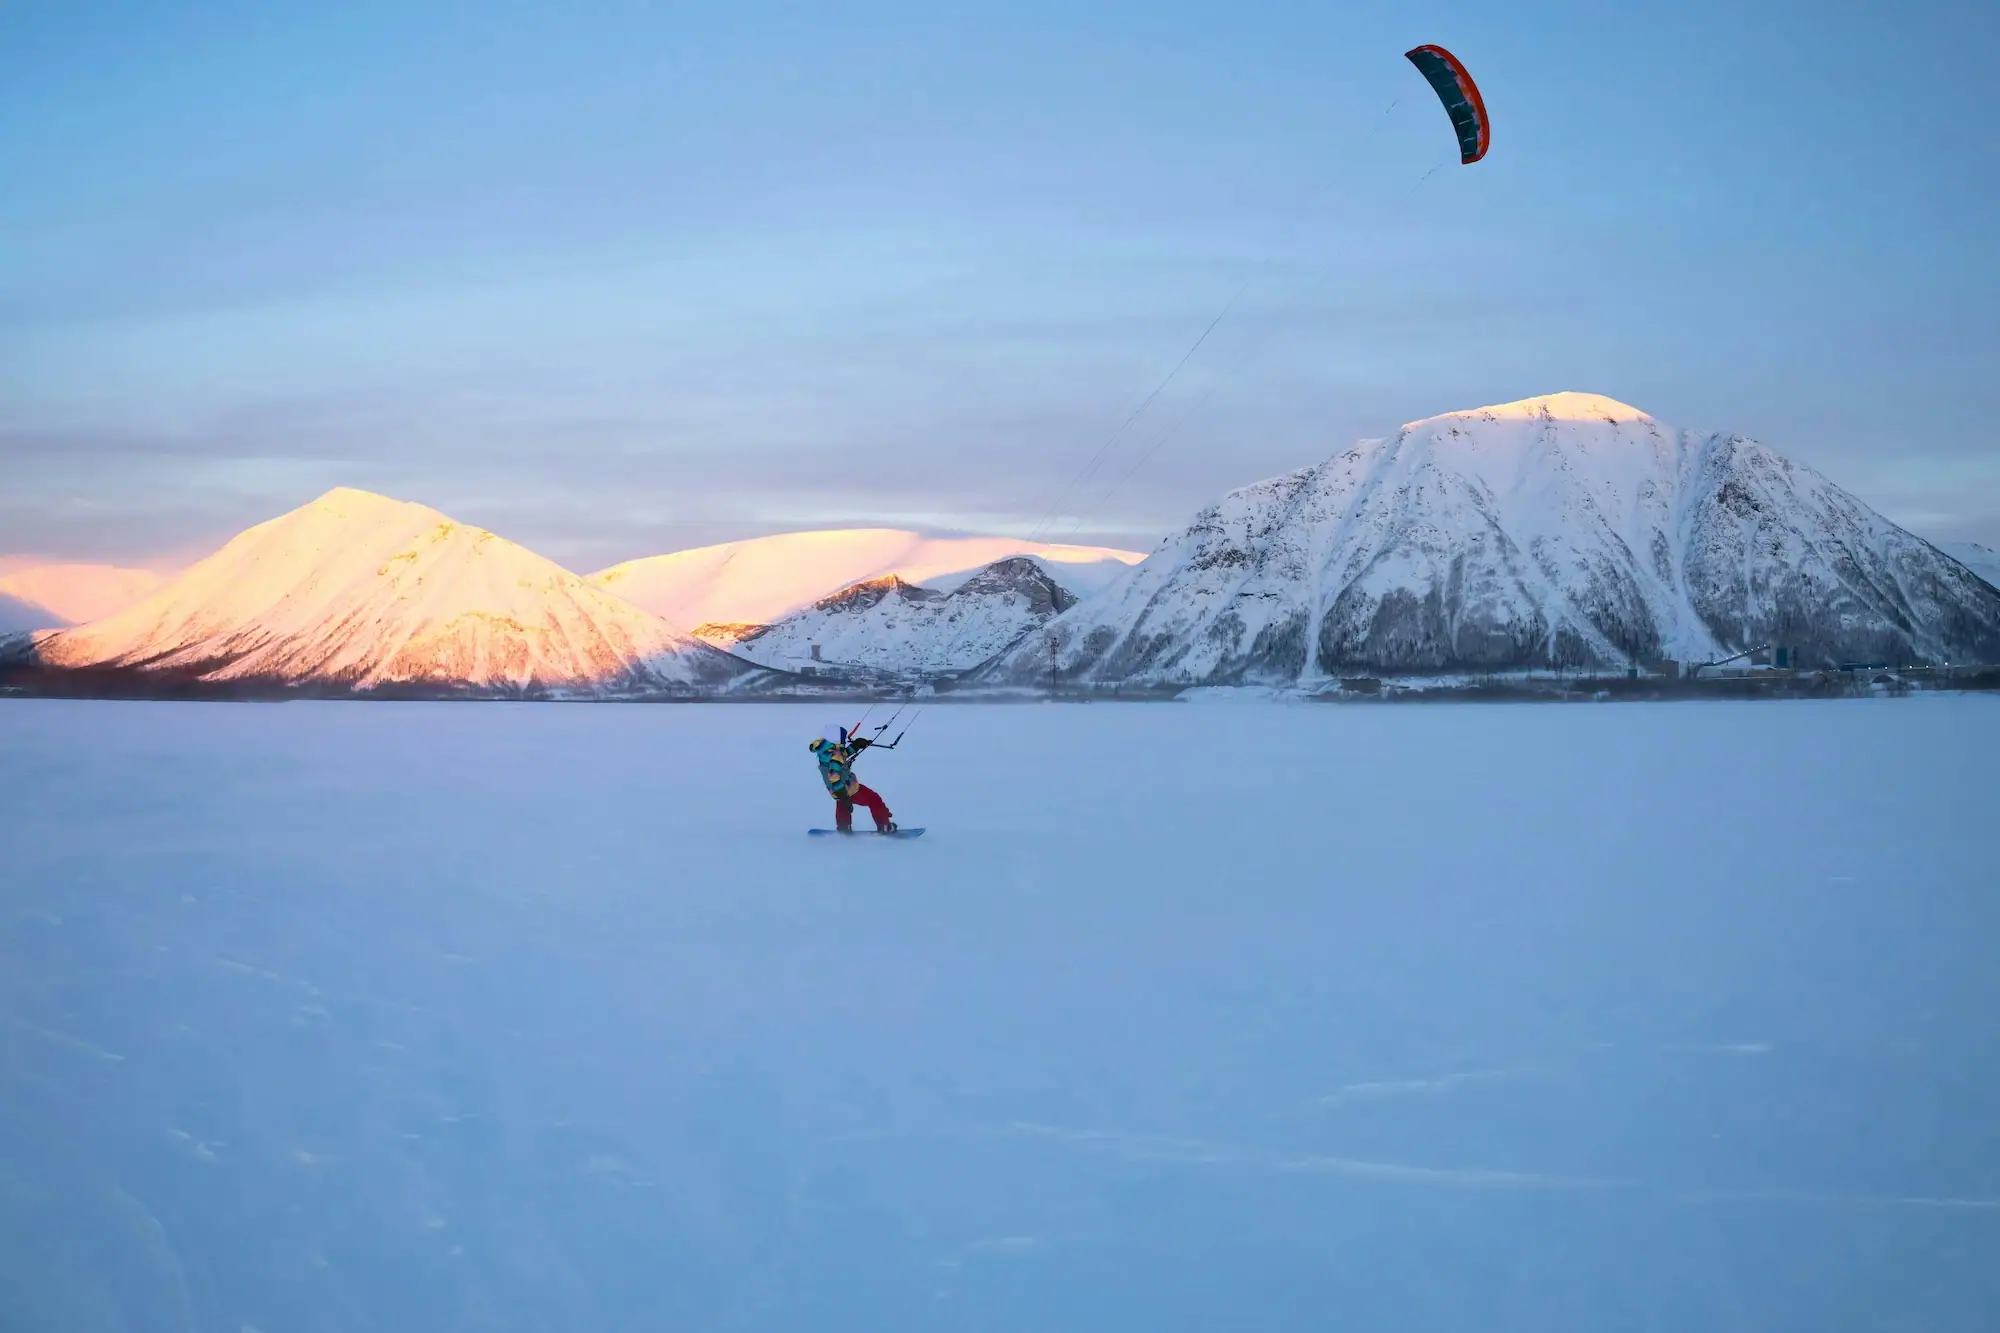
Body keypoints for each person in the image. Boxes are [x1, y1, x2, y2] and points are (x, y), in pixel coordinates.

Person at [809, 722, 897, 833]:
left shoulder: (825, 751)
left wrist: (856, 745)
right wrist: (844, 795)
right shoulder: (835, 755)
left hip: (836, 791)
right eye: (842, 738)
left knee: (843, 807)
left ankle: (844, 829)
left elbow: (842, 754)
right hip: (848, 789)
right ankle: (885, 826)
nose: (844, 741)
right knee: (874, 799)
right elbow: (834, 775)